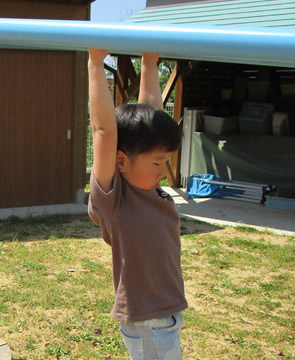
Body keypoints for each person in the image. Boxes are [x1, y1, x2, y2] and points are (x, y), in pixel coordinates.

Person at [86, 48, 186, 360]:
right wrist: (95, 62)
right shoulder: (115, 200)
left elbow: (152, 112)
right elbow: (103, 130)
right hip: (148, 319)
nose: (163, 170)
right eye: (157, 163)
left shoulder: (149, 190)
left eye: (165, 161)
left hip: (162, 314)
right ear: (120, 161)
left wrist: (149, 63)